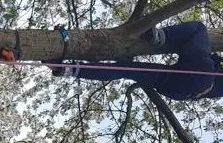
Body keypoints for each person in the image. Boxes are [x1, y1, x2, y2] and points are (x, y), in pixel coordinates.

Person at [46, 22, 222, 101]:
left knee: (198, 29)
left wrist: (214, 61)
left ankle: (160, 36)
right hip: (179, 91)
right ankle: (67, 69)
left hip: (204, 75)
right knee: (125, 70)